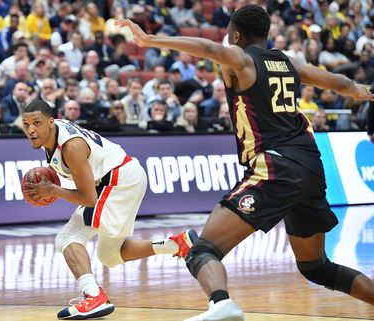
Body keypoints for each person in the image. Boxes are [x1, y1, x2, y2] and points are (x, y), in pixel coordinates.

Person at [117, 5, 374, 321]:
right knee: (316, 266)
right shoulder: (287, 63)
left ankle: (221, 304)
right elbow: (337, 82)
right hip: (310, 166)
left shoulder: (241, 60)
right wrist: (362, 91)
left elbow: (209, 48)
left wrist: (149, 39)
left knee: (202, 249)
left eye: (228, 35)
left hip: (277, 165)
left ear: (235, 36)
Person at [21, 99, 197, 320]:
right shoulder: (53, 135)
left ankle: (93, 297)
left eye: (36, 123)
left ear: (50, 122)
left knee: (68, 237)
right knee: (109, 255)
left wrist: (54, 190)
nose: (31, 130)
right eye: (26, 125)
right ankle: (176, 244)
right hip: (124, 176)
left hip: (118, 180)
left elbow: (88, 198)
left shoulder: (71, 147)